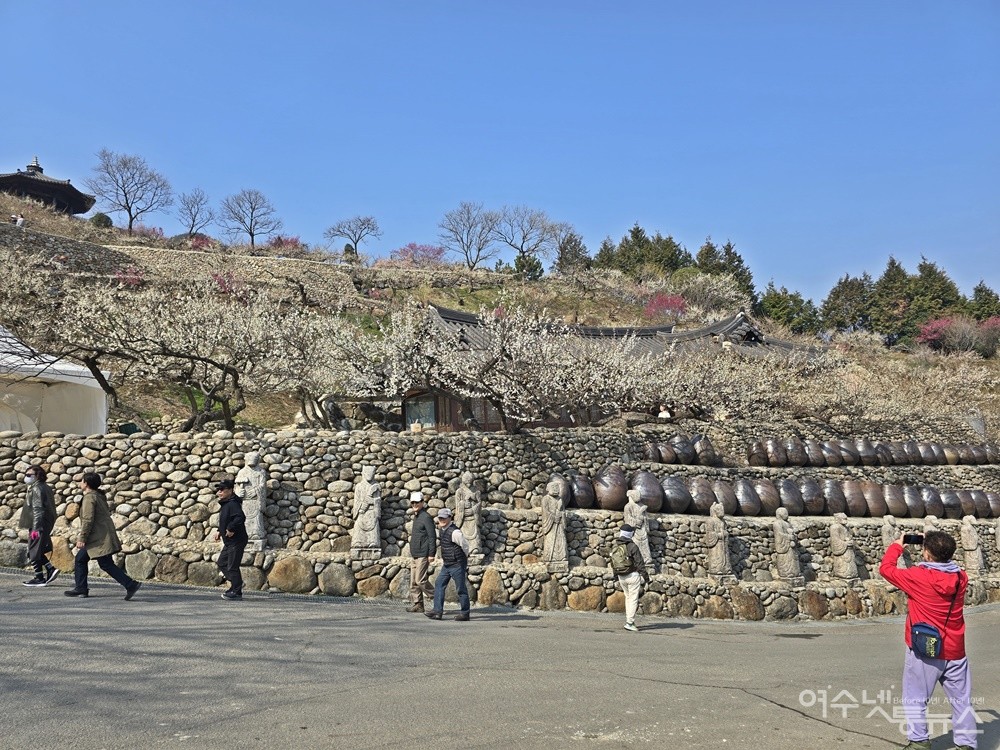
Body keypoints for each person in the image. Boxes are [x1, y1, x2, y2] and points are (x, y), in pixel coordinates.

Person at [880, 530, 977, 750]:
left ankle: (919, 741)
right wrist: (934, 544)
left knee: (915, 698)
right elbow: (942, 562)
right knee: (961, 700)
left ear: (927, 554)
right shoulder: (961, 577)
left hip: (926, 648)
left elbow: (886, 569)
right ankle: (966, 744)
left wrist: (898, 545)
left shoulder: (918, 576)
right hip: (955, 649)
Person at [65, 473, 141, 600]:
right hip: (101, 536)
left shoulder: (89, 498)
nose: (80, 483)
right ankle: (81, 588)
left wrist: (82, 538)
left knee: (104, 563)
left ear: (86, 483)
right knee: (82, 559)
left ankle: (130, 584)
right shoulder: (98, 496)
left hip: (98, 538)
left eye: (82, 481)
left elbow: (88, 519)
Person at [425, 508, 470, 622]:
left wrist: (462, 560)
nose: (442, 520)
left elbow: (465, 546)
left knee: (461, 589)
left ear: (450, 518)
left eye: (444, 518)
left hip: (457, 564)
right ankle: (437, 611)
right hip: (447, 564)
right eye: (440, 518)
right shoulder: (442, 529)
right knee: (439, 584)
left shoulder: (455, 532)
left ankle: (465, 613)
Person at [20, 464, 59, 587]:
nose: (26, 477)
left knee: (33, 549)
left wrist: (36, 529)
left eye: (29, 475)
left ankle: (39, 578)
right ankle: (50, 568)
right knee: (37, 549)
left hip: (38, 524)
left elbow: (38, 509)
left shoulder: (36, 488)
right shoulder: (45, 487)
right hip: (44, 523)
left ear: (37, 475)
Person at [610, 524, 649, 632]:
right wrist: (646, 577)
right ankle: (629, 622)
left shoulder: (616, 546)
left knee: (628, 598)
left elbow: (613, 563)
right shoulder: (632, 546)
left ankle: (629, 620)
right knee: (632, 599)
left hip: (621, 576)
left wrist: (615, 576)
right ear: (630, 534)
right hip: (632, 576)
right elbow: (639, 563)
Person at [213, 479, 248, 601]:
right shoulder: (227, 503)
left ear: (230, 490)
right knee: (222, 563)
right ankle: (236, 583)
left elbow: (240, 517)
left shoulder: (232, 503)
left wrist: (231, 528)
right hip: (229, 541)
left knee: (232, 566)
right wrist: (220, 530)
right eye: (218, 490)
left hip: (237, 540)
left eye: (222, 490)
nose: (219, 492)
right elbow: (227, 519)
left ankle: (237, 592)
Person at [406, 491, 436, 613]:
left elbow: (432, 536)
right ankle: (418, 604)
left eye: (417, 502)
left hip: (423, 553)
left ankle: (437, 598)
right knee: (413, 582)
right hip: (415, 553)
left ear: (422, 502)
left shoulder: (426, 517)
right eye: (412, 502)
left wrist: (431, 554)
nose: (414, 504)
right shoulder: (417, 516)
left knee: (420, 580)